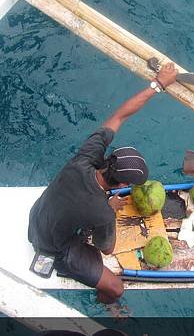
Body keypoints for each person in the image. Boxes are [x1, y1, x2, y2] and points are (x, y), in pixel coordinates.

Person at [28, 63, 178, 304]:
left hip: (38, 214)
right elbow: (106, 247)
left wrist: (158, 84)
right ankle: (106, 302)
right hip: (52, 245)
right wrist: (111, 210)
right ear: (120, 187)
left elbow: (120, 115)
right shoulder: (103, 212)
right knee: (116, 288)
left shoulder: (86, 157)